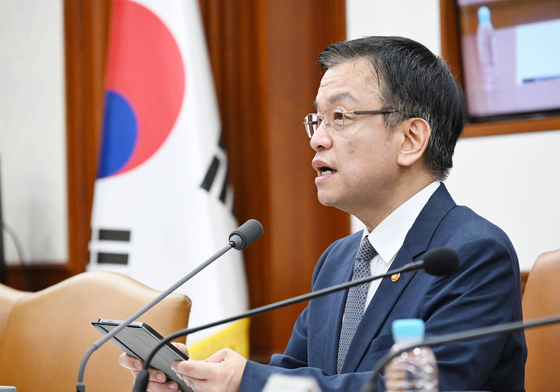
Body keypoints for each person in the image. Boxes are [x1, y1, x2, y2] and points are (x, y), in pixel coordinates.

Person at [120, 36, 527, 392]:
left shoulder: (472, 254)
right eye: (317, 119)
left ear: (410, 139)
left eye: (341, 117)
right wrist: (201, 379)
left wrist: (247, 382)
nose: (317, 138)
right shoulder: (339, 260)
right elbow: (297, 376)